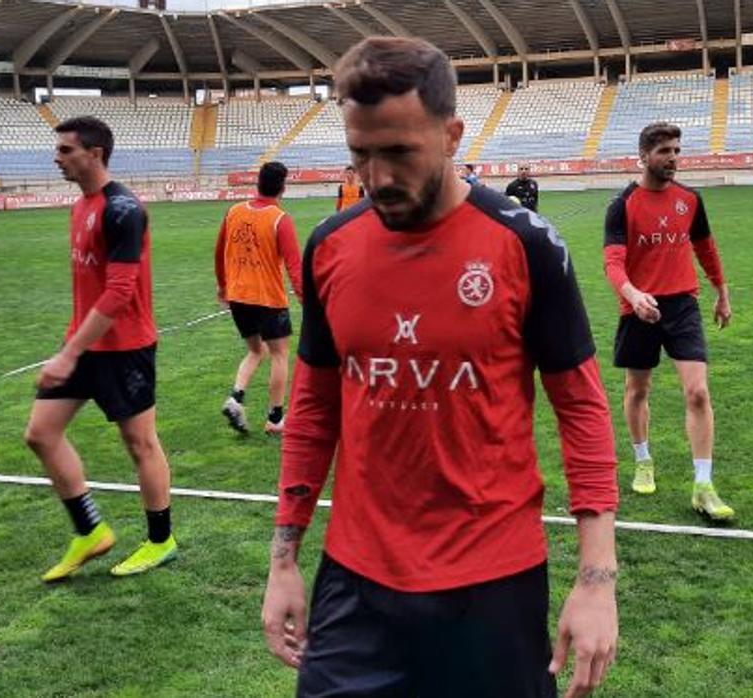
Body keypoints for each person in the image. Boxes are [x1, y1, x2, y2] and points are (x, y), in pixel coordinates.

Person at [261, 37, 619, 698]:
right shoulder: (331, 247)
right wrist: (284, 560)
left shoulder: (526, 245)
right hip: (356, 581)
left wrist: (597, 579)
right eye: (360, 154)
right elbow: (313, 409)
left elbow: (582, 408)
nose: (376, 176)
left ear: (452, 135)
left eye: (399, 152)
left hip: (493, 586)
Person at [27, 117, 176, 582]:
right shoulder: (80, 207)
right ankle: (90, 531)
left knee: (140, 444)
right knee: (40, 433)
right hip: (85, 344)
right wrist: (73, 346)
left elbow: (118, 292)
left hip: (125, 347)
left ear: (95, 153)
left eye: (67, 150)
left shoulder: (123, 210)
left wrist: (69, 352)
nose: (58, 157)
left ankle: (160, 540)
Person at [603, 122, 735, 521]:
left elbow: (705, 248)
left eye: (677, 150)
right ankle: (643, 459)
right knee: (637, 389)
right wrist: (633, 295)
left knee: (697, 392)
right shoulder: (622, 203)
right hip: (638, 308)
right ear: (643, 156)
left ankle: (703, 485)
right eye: (664, 151)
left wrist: (721, 292)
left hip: (682, 306)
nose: (674, 158)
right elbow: (612, 262)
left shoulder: (690, 200)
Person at [217, 161, 303, 436]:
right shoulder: (280, 219)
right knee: (279, 355)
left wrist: (223, 287)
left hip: (239, 297)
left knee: (257, 350)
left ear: (258, 183)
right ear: (283, 188)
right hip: (268, 299)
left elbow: (219, 253)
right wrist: (306, 302)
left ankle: (236, 398)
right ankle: (275, 418)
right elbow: (295, 267)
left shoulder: (234, 211)